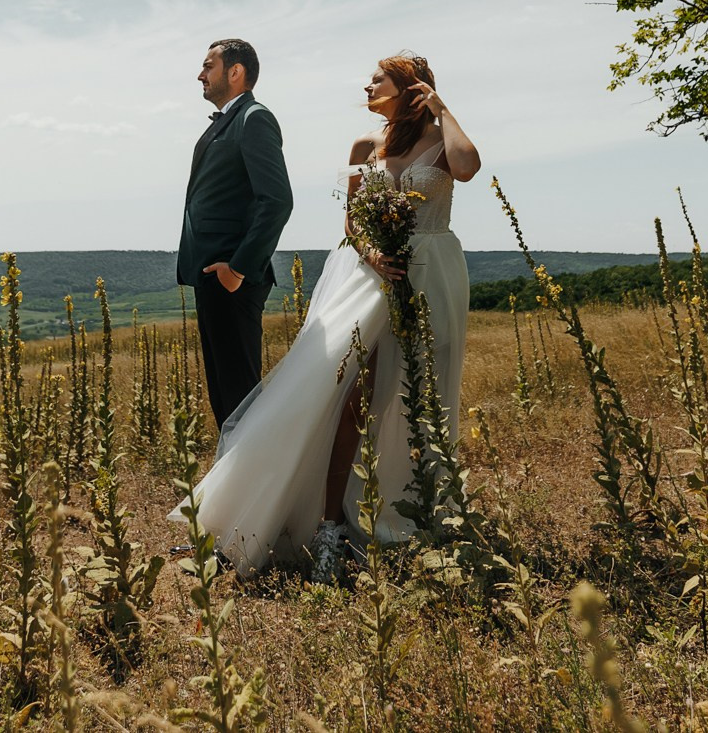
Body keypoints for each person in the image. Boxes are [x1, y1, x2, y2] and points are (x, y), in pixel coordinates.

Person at [174, 53, 481, 582]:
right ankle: (329, 526)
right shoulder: (367, 146)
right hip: (370, 278)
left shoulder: (441, 134)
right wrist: (374, 255)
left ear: (411, 88)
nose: (367, 84)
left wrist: (443, 108)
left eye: (378, 79)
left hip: (434, 275)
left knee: (419, 394)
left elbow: (468, 167)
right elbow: (352, 222)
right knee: (349, 393)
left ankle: (417, 511)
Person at [178, 38, 295, 427]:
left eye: (208, 66)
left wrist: (238, 270)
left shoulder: (254, 117)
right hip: (213, 276)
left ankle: (259, 482)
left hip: (231, 277)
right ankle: (239, 479)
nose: (200, 75)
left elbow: (276, 201)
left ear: (235, 71)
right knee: (225, 398)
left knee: (239, 396)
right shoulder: (230, 120)